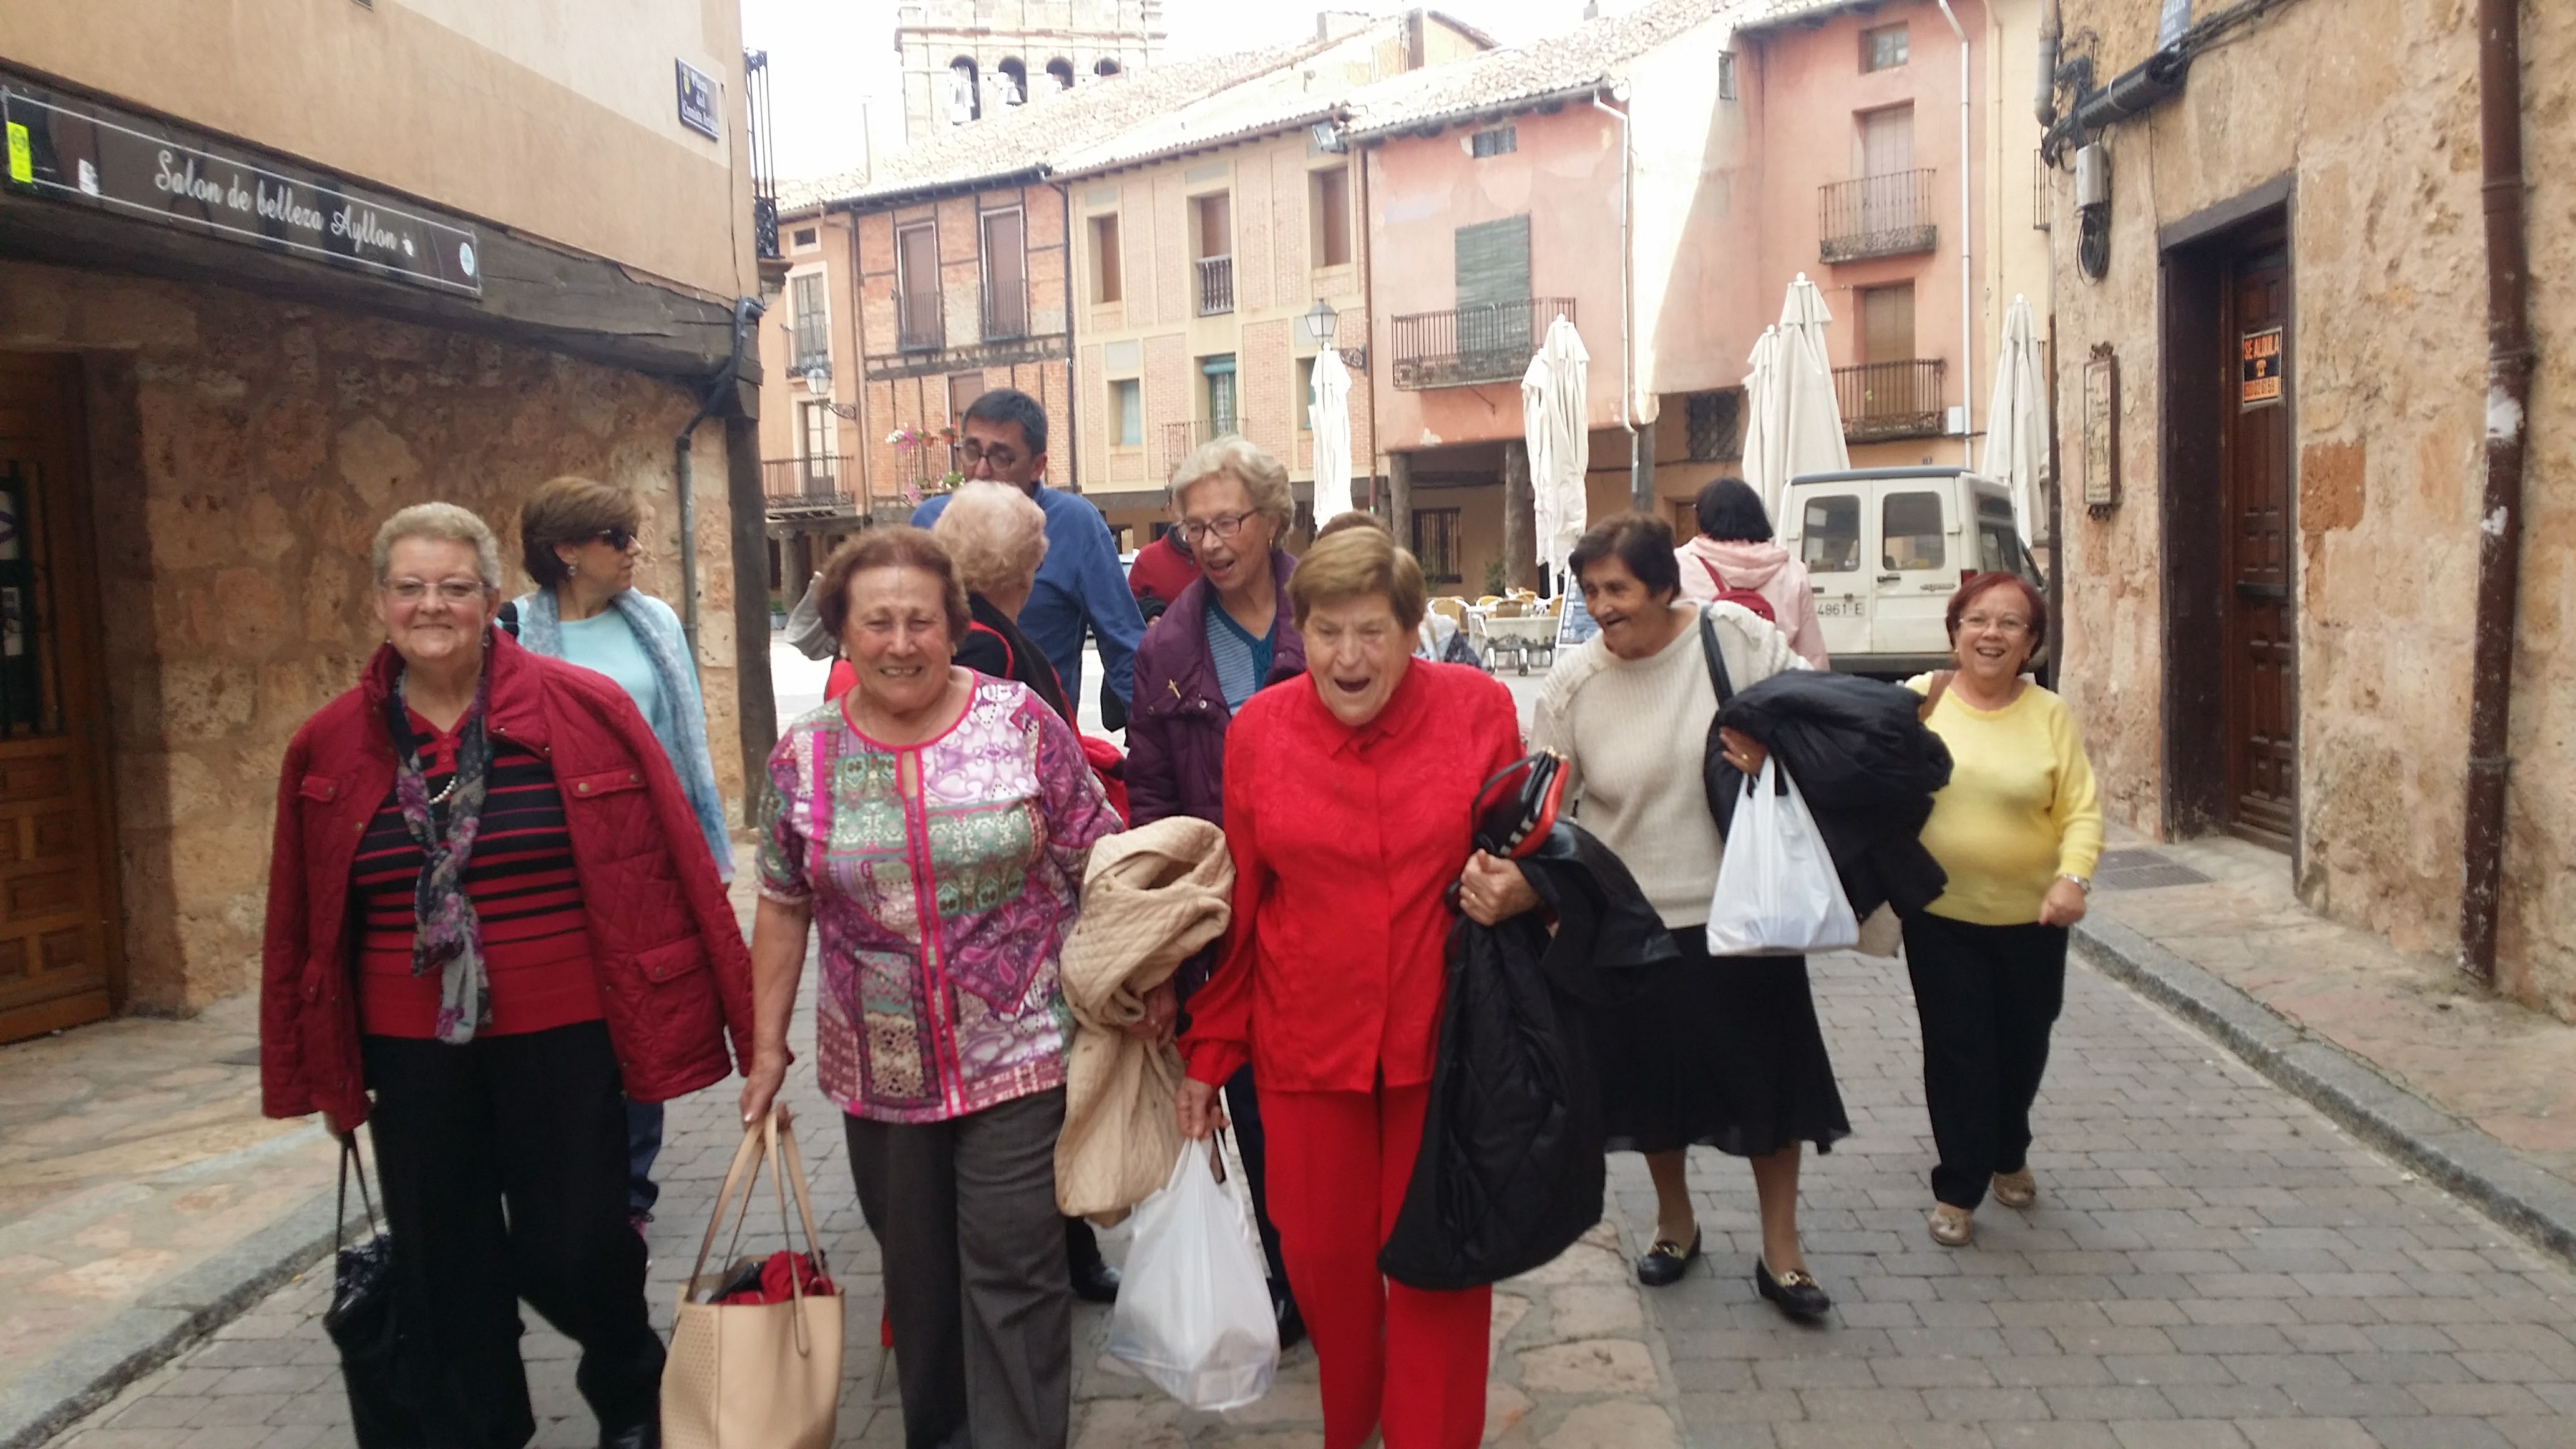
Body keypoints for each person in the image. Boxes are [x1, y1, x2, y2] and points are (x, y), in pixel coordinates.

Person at [261, 504, 754, 1449]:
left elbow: (676, 864)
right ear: (379, 602)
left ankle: (629, 1383)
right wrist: (319, 1068)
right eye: (410, 587)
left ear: (492, 599)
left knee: (576, 1245)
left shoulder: (583, 709)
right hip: (408, 1048)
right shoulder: (329, 744)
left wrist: (740, 1024)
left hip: (564, 1033)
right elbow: (300, 921)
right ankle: (481, 1427)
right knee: (446, 1264)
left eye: (454, 586)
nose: (431, 605)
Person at [739, 528, 1123, 1449]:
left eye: (921, 621)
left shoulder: (1020, 722)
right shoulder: (804, 757)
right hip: (879, 1064)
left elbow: (1098, 856)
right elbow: (783, 903)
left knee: (1016, 1270)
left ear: (955, 628)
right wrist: (765, 1049)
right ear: (843, 632)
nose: (901, 642)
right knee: (918, 1282)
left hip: (1020, 1049)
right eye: (877, 622)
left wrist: (1129, 987)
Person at [1175, 526, 1522, 1449]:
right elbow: (1245, 902)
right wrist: (1210, 1052)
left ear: (1413, 631)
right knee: (1323, 1261)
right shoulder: (1260, 731)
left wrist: (1526, 886)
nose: (1349, 657)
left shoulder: (1478, 710)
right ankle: (1353, 1418)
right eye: (1328, 632)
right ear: (1302, 634)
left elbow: (1524, 850)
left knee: (1440, 1268)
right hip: (1305, 1045)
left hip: (1442, 1044)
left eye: (1372, 631)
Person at [1475, 512, 1848, 1320]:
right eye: (1590, 591)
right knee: (1653, 1091)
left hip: (1743, 914)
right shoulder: (1576, 682)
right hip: (1631, 922)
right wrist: (1533, 886)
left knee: (1769, 1089)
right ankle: (1675, 1224)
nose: (1602, 607)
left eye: (1617, 589)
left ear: (1663, 587)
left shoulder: (1733, 639)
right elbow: (1548, 803)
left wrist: (1775, 749)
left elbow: (1816, 704)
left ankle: (1782, 1253)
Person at [509, 475, 733, 1237]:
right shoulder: (511, 633)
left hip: (645, 855)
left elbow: (686, 739)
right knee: (570, 1024)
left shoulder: (655, 623)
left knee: (645, 1015)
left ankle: (630, 1192)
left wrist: (700, 850)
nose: (636, 549)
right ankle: (567, 1175)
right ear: (566, 550)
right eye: (617, 538)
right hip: (555, 856)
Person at [1125, 436, 1307, 1344]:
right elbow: (1152, 804)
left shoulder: (1326, 610)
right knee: (1256, 1110)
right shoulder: (1166, 645)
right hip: (1224, 916)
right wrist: (1162, 949)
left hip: (1321, 904)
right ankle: (1289, 1274)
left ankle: (1349, 1255)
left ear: (1271, 519)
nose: (1209, 542)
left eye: (1227, 522)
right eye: (1192, 527)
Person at [928, 480, 1126, 1305]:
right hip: (1007, 917)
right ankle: (1061, 1252)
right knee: (1039, 1091)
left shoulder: (978, 632)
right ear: (1026, 564)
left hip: (999, 917)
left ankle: (1068, 1248)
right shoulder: (986, 645)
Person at [1905, 572, 2102, 1248]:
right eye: (1977, 620)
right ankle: (1958, 1189)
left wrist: (2072, 878)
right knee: (1958, 1052)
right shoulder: (1921, 701)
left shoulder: (2049, 714)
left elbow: (2080, 810)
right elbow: (1851, 755)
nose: (1991, 634)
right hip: (1941, 915)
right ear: (1955, 633)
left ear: (2031, 642)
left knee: (2022, 1048)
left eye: (2010, 623)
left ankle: (2009, 1148)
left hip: (2032, 921)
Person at [908, 388, 1147, 712]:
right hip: (933, 728)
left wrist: (1152, 733)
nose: (981, 471)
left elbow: (1123, 644)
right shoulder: (928, 520)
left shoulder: (1076, 524)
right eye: (972, 452)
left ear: (1037, 466)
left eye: (1001, 458)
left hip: (1041, 731)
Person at [1675, 477, 1830, 670]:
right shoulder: (1792, 569)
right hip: (1776, 682)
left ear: (1703, 517)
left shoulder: (1680, 565)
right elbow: (1812, 652)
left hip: (1708, 681)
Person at [1126, 525, 1198, 622]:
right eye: (1182, 511)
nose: (1188, 520)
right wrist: (1150, 616)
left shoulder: (1215, 555)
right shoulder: (1147, 558)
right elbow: (1128, 608)